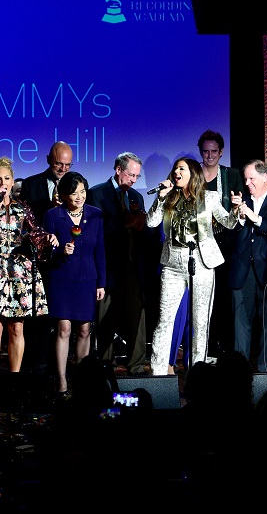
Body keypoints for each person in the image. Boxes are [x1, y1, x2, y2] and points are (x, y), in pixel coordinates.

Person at [0, 156, 58, 410]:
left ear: (12, 179)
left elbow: (36, 233)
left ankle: (15, 384)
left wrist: (48, 238)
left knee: (16, 328)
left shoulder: (23, 208)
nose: (3, 183)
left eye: (7, 178)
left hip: (17, 271)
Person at [147, 157, 243, 376]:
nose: (177, 172)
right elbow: (151, 222)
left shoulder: (209, 197)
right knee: (165, 319)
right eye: (175, 169)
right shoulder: (168, 197)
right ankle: (159, 372)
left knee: (201, 320)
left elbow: (227, 222)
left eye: (182, 168)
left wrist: (237, 210)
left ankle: (197, 372)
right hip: (172, 263)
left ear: (193, 173)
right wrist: (160, 199)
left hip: (201, 261)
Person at [86, 152, 153, 375]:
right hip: (109, 266)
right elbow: (97, 232)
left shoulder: (136, 196)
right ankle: (105, 363)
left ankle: (136, 364)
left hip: (133, 266)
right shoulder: (97, 194)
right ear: (118, 170)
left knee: (137, 314)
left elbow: (141, 231)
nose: (134, 180)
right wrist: (127, 224)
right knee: (106, 316)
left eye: (137, 176)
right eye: (130, 175)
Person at [42, 171, 106, 396]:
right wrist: (60, 250)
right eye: (74, 193)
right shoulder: (53, 215)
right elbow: (43, 251)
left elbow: (100, 251)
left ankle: (82, 380)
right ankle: (61, 380)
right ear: (64, 195)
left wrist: (101, 283)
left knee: (85, 329)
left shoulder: (96, 215)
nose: (79, 197)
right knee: (64, 328)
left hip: (87, 278)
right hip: (61, 278)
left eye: (82, 192)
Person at [18, 141, 74, 384]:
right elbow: (26, 222)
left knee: (62, 316)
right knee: (39, 317)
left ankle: (59, 365)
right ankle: (37, 366)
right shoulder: (31, 184)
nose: (62, 169)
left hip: (65, 259)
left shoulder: (76, 185)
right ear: (48, 159)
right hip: (39, 260)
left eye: (67, 164)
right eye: (58, 163)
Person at [227, 159, 267, 372]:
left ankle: (264, 370)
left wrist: (255, 218)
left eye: (252, 178)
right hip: (241, 270)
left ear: (265, 177)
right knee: (241, 323)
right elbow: (228, 238)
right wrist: (238, 218)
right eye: (246, 178)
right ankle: (239, 372)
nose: (247, 183)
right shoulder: (239, 202)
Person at [197, 129, 244, 360]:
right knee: (202, 298)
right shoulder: (193, 174)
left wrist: (237, 207)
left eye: (214, 151)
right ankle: (202, 347)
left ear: (221, 152)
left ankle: (222, 347)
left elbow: (239, 208)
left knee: (224, 298)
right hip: (199, 245)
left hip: (226, 245)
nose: (210, 156)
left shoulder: (232, 175)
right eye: (205, 151)